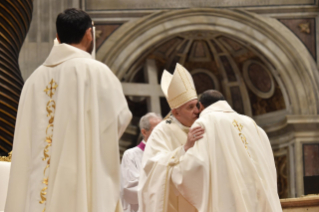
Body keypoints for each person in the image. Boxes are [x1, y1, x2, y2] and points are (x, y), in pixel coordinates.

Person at [5, 8, 132, 212]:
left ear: (57, 36)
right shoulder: (97, 73)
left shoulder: (33, 81)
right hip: (77, 181)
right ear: (89, 34)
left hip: (37, 191)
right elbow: (119, 120)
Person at [171, 90, 283, 212]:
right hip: (261, 199)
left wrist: (176, 168)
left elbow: (196, 165)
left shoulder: (204, 123)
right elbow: (270, 166)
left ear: (201, 106)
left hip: (231, 199)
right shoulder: (252, 124)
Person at [138, 64, 204, 212]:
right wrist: (184, 149)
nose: (197, 111)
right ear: (176, 113)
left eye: (197, 105)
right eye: (190, 107)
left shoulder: (204, 125)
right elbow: (153, 168)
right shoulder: (162, 131)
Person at [120, 112, 162, 212]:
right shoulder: (130, 155)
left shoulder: (166, 153)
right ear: (144, 132)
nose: (161, 133)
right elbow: (130, 189)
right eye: (156, 130)